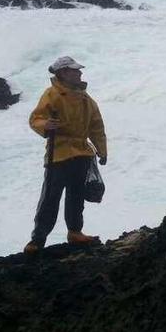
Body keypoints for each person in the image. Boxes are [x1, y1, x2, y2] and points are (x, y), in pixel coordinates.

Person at [24, 56, 107, 254]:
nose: (79, 73)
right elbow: (36, 118)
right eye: (74, 70)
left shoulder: (87, 100)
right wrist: (45, 125)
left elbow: (96, 127)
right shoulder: (52, 95)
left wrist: (102, 150)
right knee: (50, 198)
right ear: (62, 73)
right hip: (58, 154)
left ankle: (75, 232)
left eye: (78, 70)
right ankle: (37, 240)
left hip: (82, 154)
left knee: (76, 196)